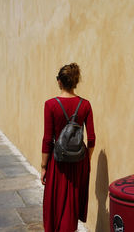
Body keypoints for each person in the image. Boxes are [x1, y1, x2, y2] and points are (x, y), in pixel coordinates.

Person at [41, 63, 96, 232]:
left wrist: (43, 167)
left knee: (54, 202)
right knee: (71, 203)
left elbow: (47, 139)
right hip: (79, 161)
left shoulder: (50, 104)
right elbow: (92, 139)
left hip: (58, 162)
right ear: (76, 82)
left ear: (59, 82)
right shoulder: (85, 105)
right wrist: (87, 159)